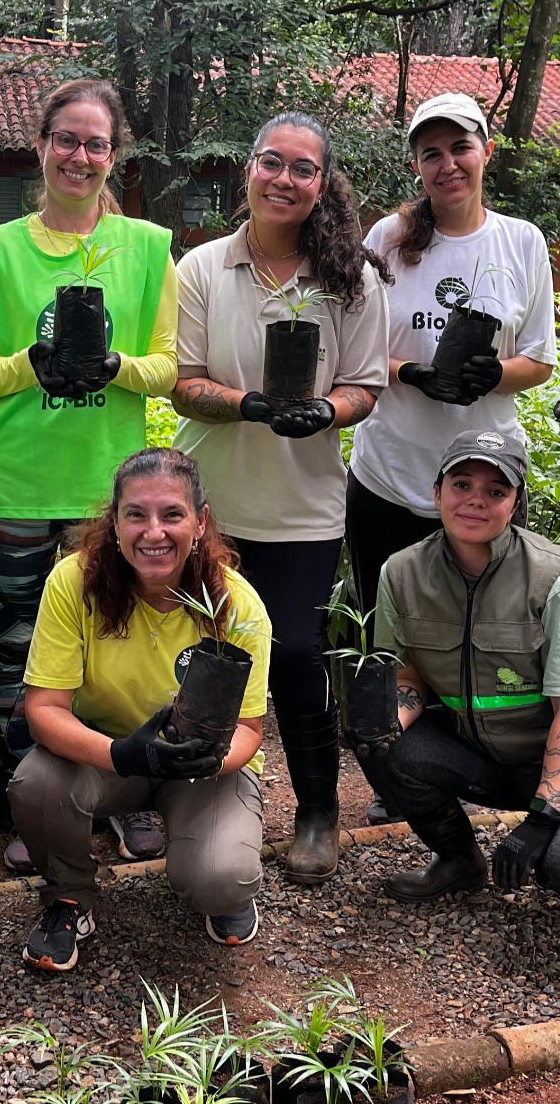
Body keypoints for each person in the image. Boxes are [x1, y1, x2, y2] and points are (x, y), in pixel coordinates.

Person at [0, 79, 177, 870]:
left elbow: (166, 366)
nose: (80, 157)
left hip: (107, 491)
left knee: (116, 643)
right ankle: (34, 803)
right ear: (41, 146)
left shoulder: (146, 248)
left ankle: (127, 794)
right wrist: (31, 363)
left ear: (114, 156)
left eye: (96, 144)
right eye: (66, 140)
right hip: (18, 482)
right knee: (18, 651)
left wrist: (115, 366)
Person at [170, 111, 389, 884]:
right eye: (273, 162)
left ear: (322, 184)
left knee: (296, 654)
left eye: (303, 168)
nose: (285, 179)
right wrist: (249, 405)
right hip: (211, 507)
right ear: (249, 169)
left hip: (303, 509)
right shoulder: (203, 267)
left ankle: (318, 810)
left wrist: (326, 410)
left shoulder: (351, 279)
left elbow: (366, 386)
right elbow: (183, 383)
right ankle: (190, 800)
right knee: (203, 651)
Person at [354, 430, 560, 927]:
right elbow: (408, 674)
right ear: (437, 493)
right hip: (486, 751)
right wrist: (383, 730)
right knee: (380, 740)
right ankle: (458, 859)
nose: (475, 500)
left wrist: (542, 819)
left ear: (515, 504)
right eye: (461, 484)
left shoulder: (559, 579)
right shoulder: (401, 573)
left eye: (495, 491)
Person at [9, 448, 271, 970]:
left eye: (172, 514)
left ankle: (221, 889)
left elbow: (248, 727)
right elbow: (44, 709)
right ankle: (69, 895)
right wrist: (123, 754)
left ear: (200, 521)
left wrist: (209, 760)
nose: (154, 532)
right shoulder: (73, 582)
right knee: (36, 781)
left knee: (220, 879)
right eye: (136, 514)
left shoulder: (235, 604)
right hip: (111, 755)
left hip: (203, 768)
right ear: (115, 521)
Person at [348, 92, 555, 615]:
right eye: (431, 154)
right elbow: (357, 349)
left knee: (487, 633)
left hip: (486, 485)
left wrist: (495, 374)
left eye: (460, 147)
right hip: (389, 476)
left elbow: (539, 360)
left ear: (487, 151)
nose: (448, 165)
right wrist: (410, 372)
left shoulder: (522, 242)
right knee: (385, 630)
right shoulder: (388, 238)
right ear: (416, 167)